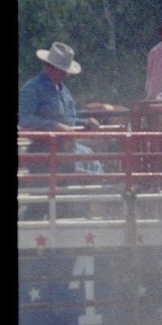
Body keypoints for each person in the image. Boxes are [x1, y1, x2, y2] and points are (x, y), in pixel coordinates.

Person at [20, 42, 102, 217]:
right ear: (49, 67)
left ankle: (55, 241)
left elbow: (69, 121)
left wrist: (85, 123)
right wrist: (54, 127)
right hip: (42, 154)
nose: (65, 74)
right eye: (61, 69)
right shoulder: (33, 88)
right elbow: (24, 120)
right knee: (42, 200)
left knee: (62, 201)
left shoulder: (63, 90)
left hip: (64, 155)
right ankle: (29, 238)